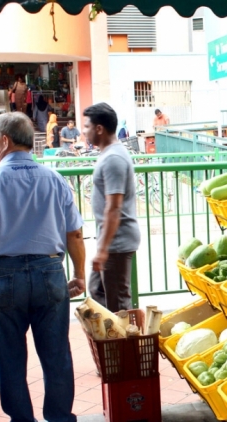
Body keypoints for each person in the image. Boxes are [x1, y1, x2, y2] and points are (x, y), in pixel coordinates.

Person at [0, 112, 86, 422]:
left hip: (4, 277)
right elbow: (75, 233)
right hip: (49, 272)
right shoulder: (55, 179)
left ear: (4, 141)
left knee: (10, 357)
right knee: (56, 354)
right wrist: (80, 275)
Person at [83, 103, 140, 312]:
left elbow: (114, 207)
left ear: (99, 128)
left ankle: (123, 342)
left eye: (87, 126)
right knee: (98, 290)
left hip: (116, 241)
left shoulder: (113, 158)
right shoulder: (109, 154)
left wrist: (104, 249)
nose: (84, 131)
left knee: (118, 304)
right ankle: (112, 340)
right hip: (112, 241)